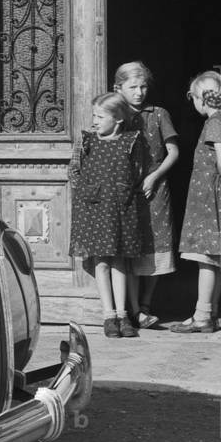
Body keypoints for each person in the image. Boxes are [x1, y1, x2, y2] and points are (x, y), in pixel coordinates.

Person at [69, 92, 146, 338]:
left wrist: (122, 193)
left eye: (101, 116)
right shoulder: (87, 141)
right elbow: (74, 171)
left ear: (118, 119)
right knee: (101, 260)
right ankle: (108, 315)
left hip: (121, 208)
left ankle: (123, 315)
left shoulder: (131, 141)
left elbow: (138, 172)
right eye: (94, 115)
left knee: (119, 260)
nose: (95, 121)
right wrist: (87, 195)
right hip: (95, 207)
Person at [114, 61, 179, 329]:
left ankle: (146, 304)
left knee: (156, 243)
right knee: (131, 247)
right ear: (118, 88)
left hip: (155, 189)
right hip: (126, 192)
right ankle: (131, 310)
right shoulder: (115, 115)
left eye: (143, 87)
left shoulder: (158, 113)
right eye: (133, 87)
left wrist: (154, 176)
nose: (140, 93)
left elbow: (173, 151)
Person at [169, 70, 221, 333]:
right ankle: (210, 313)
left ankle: (202, 315)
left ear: (201, 99)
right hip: (212, 194)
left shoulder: (214, 122)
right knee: (214, 258)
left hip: (209, 196)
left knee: (205, 257)